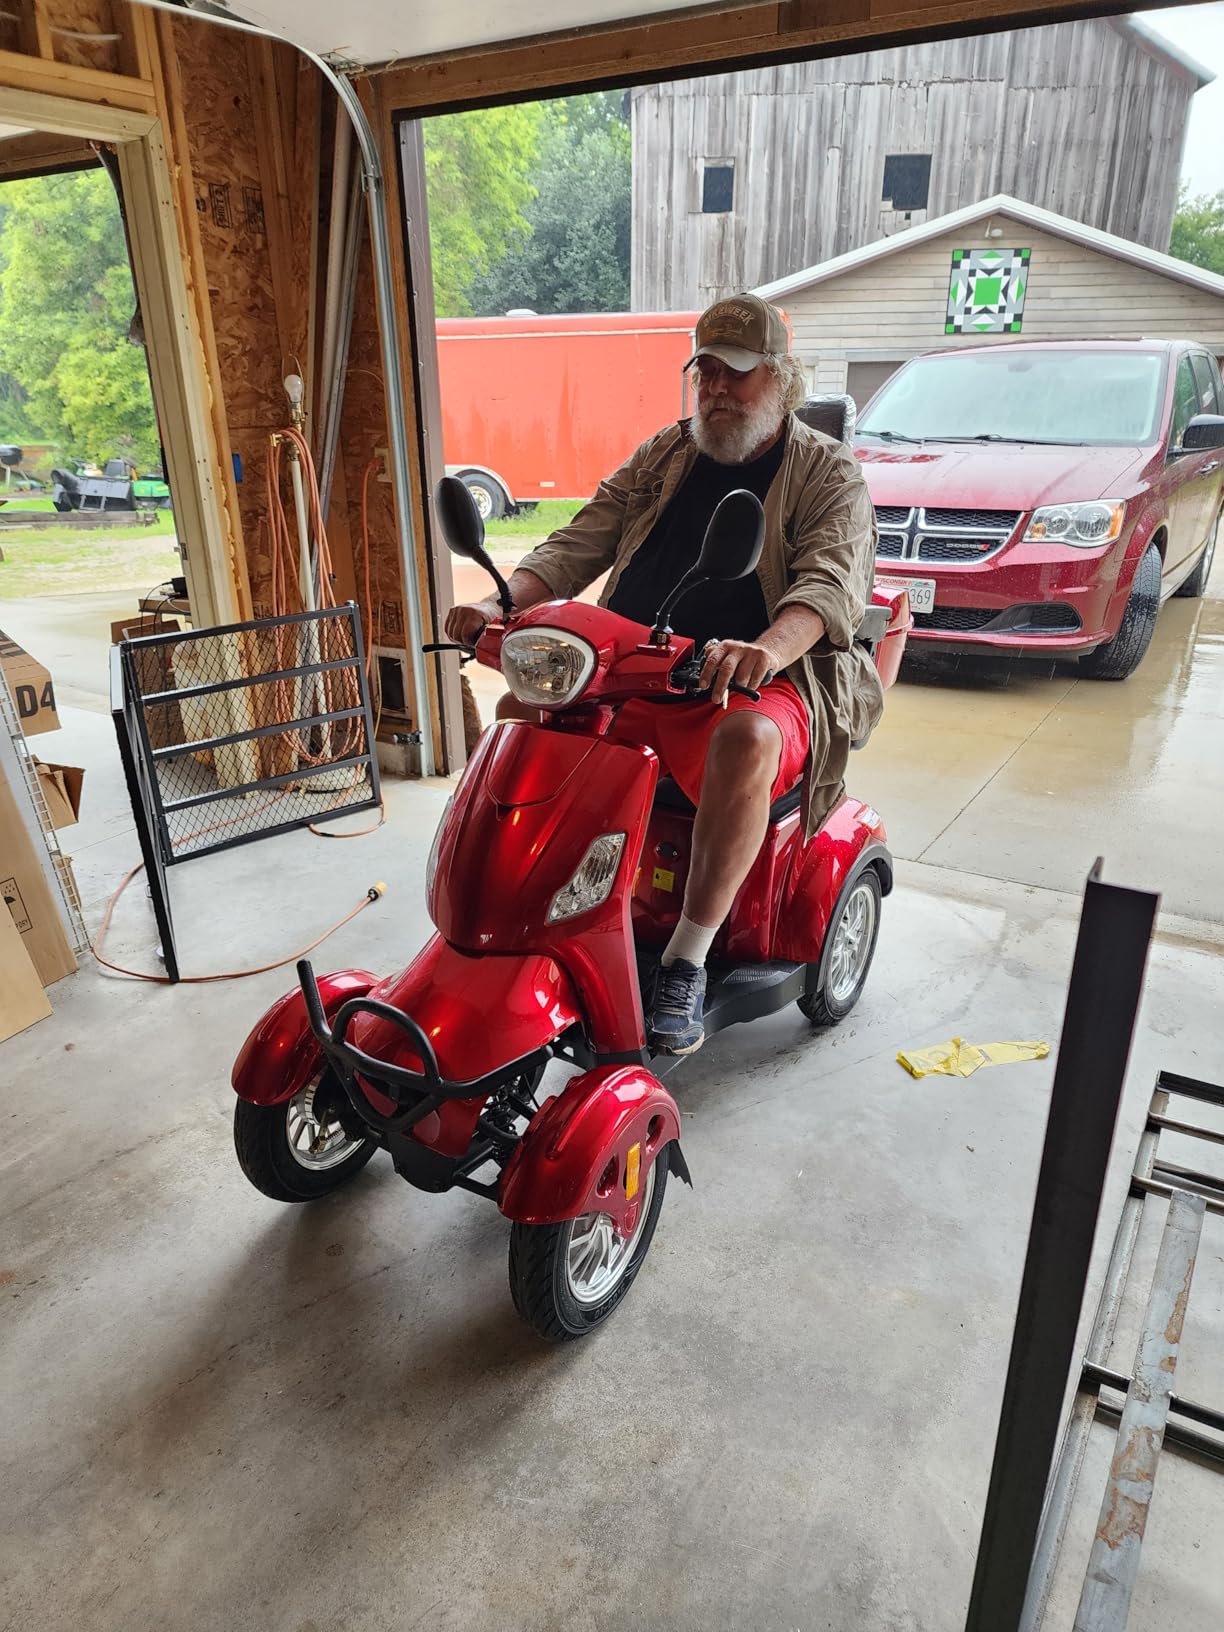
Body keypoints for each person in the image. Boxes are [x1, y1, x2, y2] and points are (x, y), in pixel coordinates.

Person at [446, 293, 883, 1054]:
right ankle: (526, 909)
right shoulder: (667, 452)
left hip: (765, 680)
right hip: (637, 662)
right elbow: (583, 538)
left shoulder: (827, 473)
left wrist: (765, 650)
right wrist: (498, 598)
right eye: (705, 372)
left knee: (746, 740)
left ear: (780, 380)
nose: (716, 388)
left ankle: (686, 956)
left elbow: (827, 587)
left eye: (737, 375)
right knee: (524, 712)